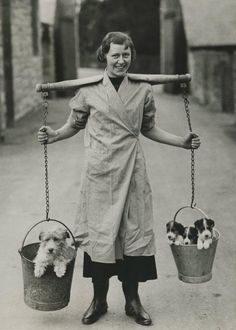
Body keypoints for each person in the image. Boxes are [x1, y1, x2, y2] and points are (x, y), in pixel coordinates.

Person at [38, 32, 201, 326]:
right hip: (100, 174)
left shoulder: (142, 90)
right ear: (104, 56)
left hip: (132, 170)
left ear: (131, 56)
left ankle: (132, 302)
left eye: (126, 55)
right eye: (115, 55)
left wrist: (182, 141)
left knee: (132, 236)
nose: (121, 60)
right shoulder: (88, 91)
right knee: (100, 237)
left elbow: (149, 128)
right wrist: (54, 135)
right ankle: (98, 300)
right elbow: (73, 125)